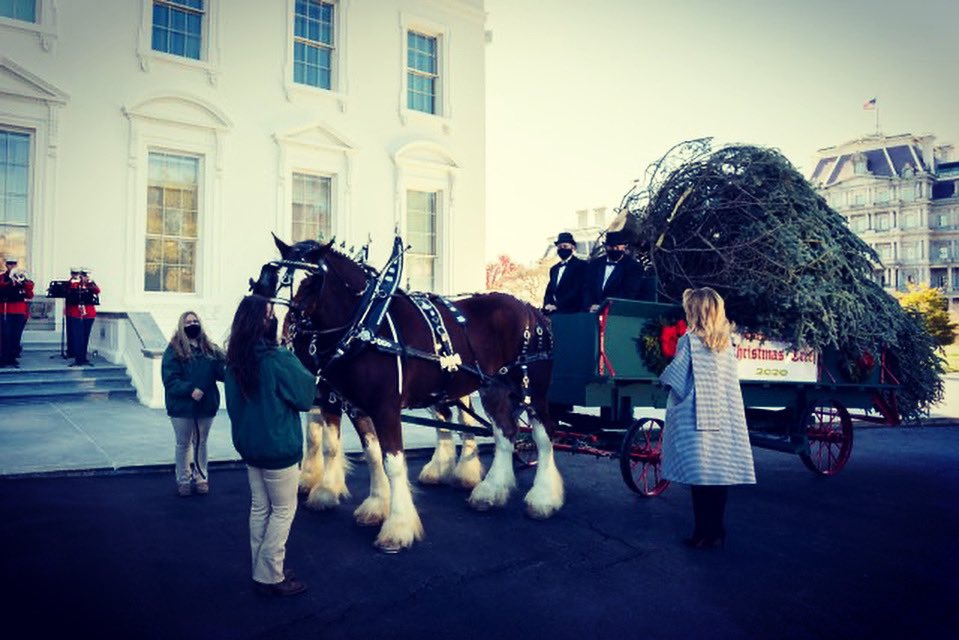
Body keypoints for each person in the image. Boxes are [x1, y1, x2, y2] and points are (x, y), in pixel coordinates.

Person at [225, 295, 316, 597]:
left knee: (260, 508)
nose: (274, 318)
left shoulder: (234, 361)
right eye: (269, 314)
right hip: (279, 450)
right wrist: (293, 358)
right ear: (259, 322)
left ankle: (261, 568)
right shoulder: (277, 359)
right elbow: (305, 397)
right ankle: (270, 575)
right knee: (282, 511)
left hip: (251, 449)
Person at [659, 287, 756, 549]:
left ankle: (701, 533)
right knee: (718, 476)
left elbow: (677, 379)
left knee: (700, 479)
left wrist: (663, 380)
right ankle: (717, 531)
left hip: (697, 418)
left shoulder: (689, 341)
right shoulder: (726, 343)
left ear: (695, 311)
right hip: (723, 416)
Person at [161, 311, 226, 497]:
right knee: (183, 444)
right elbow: (170, 378)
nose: (192, 324)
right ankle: (183, 479)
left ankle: (201, 477)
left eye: (195, 321)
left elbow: (222, 370)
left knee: (201, 442)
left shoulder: (210, 349)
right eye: (188, 322)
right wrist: (189, 389)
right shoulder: (173, 350)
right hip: (182, 408)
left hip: (206, 405)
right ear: (182, 326)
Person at [583, 230, 656, 312]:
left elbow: (629, 293)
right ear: (605, 247)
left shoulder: (633, 266)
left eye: (618, 246)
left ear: (624, 246)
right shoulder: (595, 264)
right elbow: (587, 288)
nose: (615, 249)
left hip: (617, 311)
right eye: (611, 246)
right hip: (592, 311)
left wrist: (604, 307)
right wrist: (589, 306)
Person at [542, 232, 588, 314]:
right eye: (559, 247)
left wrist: (558, 305)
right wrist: (547, 304)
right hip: (553, 312)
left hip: (573, 312)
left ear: (573, 247)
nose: (562, 249)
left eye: (565, 246)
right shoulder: (554, 269)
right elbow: (549, 290)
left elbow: (578, 290)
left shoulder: (581, 265)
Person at [0, 259, 34, 367]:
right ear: (6, 265)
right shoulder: (2, 277)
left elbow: (29, 295)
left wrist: (25, 283)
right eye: (10, 264)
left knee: (16, 335)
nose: (12, 266)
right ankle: (3, 357)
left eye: (13, 264)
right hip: (6, 309)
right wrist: (11, 281)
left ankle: (12, 357)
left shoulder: (22, 277)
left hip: (19, 310)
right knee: (5, 334)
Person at [65, 267, 100, 366]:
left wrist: (90, 283)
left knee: (85, 336)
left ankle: (83, 357)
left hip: (89, 314)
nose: (86, 277)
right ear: (81, 276)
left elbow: (97, 291)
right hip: (76, 314)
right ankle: (78, 358)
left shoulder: (91, 285)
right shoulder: (75, 284)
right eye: (84, 275)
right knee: (78, 337)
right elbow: (68, 290)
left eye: (87, 276)